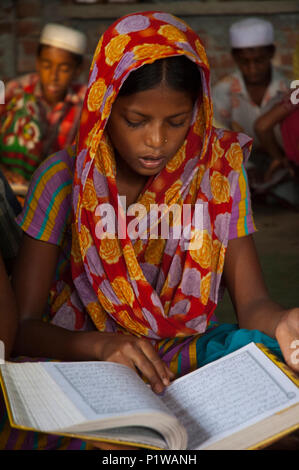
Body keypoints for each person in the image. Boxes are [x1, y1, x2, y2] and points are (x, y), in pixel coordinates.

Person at [1, 11, 298, 450]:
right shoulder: (64, 180)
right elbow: (22, 327)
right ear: (104, 106)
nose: (156, 141)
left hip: (180, 350)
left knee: (279, 378)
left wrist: (284, 322)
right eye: (136, 121)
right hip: (81, 356)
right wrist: (101, 348)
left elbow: (252, 303)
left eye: (176, 122)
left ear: (197, 112)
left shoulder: (217, 173)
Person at [0, 23, 87, 187]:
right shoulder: (16, 90)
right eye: (47, 66)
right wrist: (3, 171)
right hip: (12, 185)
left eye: (64, 69)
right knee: (21, 104)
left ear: (77, 70)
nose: (53, 76)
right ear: (38, 63)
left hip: (58, 189)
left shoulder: (85, 101)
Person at [212, 18, 289, 150]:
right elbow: (218, 143)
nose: (252, 69)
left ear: (271, 53)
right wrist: (248, 169)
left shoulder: (288, 89)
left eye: (259, 61)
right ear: (235, 57)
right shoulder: (221, 93)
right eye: (244, 62)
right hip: (239, 166)